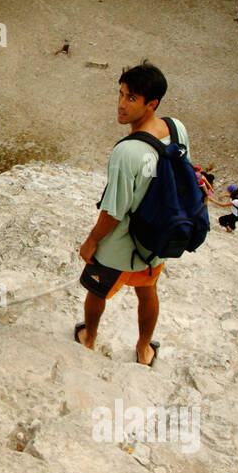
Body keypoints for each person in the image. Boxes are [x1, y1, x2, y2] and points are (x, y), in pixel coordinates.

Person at [76, 61, 189, 368]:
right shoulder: (177, 129)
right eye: (121, 94)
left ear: (151, 104)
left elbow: (113, 211)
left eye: (131, 98)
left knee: (96, 289)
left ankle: (89, 337)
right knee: (147, 289)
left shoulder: (126, 152)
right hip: (156, 239)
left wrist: (90, 242)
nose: (121, 104)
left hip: (119, 247)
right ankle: (143, 349)